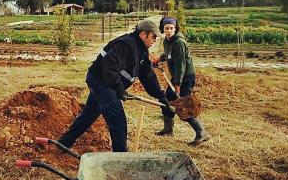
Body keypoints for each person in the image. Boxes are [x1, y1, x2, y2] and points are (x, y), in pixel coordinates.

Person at [58, 19, 170, 152]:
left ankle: (63, 143)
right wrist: (119, 89)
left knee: (89, 115)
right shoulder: (125, 45)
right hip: (100, 81)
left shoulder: (141, 50)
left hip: (107, 83)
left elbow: (147, 75)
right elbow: (109, 68)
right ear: (143, 34)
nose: (155, 40)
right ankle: (121, 158)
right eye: (153, 36)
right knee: (118, 120)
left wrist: (161, 96)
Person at [153, 16, 211, 146]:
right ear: (163, 29)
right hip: (177, 78)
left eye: (171, 28)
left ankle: (202, 132)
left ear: (175, 28)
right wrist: (159, 59)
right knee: (167, 101)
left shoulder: (179, 42)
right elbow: (168, 54)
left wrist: (177, 85)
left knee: (184, 105)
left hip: (185, 78)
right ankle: (168, 130)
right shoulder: (167, 41)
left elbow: (180, 65)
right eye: (166, 28)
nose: (169, 31)